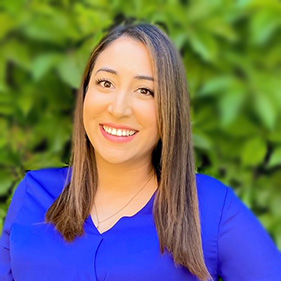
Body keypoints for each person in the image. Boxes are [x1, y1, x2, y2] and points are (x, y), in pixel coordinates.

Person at [0, 23, 281, 281]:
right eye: (105, 83)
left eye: (145, 91)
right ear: (85, 92)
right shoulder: (34, 194)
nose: (119, 108)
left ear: (169, 110)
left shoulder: (209, 207)